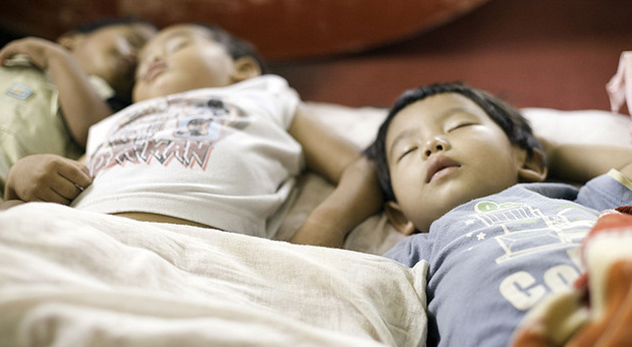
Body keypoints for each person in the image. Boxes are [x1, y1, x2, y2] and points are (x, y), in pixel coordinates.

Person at [2, 23, 375, 240]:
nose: (151, 61)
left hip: (197, 246)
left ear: (241, 69)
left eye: (176, 46)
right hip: (82, 234)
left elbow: (360, 166)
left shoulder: (262, 94)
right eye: (142, 65)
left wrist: (324, 226)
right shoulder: (116, 120)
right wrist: (25, 173)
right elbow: (66, 181)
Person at [349, 82, 632, 346]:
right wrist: (337, 209)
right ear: (399, 217)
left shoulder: (578, 200)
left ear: (529, 160)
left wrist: (552, 153)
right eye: (407, 150)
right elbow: (317, 278)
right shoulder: (420, 252)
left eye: (459, 125)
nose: (432, 144)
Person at [0, 18, 157, 198]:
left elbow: (94, 132)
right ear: (71, 41)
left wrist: (56, 56)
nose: (137, 56)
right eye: (132, 41)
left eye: (143, 60)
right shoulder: (17, 60)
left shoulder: (102, 98)